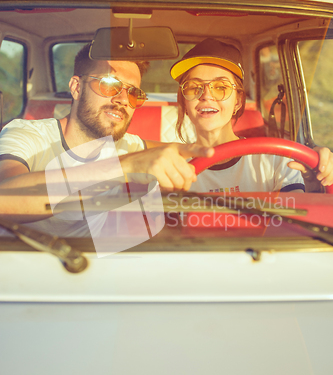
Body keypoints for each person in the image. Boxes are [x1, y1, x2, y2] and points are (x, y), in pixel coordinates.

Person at [0, 43, 213, 232]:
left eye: (133, 93)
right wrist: (125, 167)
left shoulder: (130, 146)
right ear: (76, 87)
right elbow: (5, 199)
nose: (122, 99)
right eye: (110, 85)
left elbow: (199, 156)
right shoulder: (27, 134)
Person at [170, 38, 333, 193]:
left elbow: (295, 217)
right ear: (184, 102)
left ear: (238, 101)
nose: (206, 95)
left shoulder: (276, 160)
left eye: (221, 87)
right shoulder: (172, 168)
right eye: (193, 87)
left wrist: (315, 186)